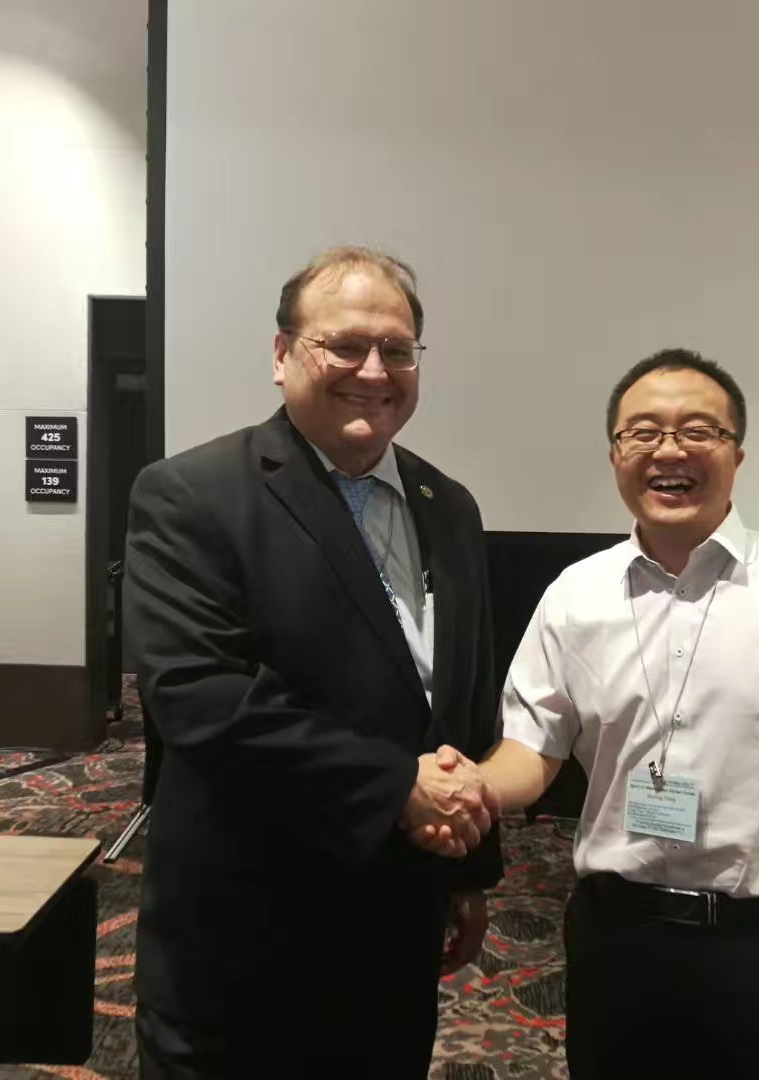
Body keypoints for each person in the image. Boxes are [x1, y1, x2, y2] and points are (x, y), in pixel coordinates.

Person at [441, 348, 759, 1079]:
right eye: (643, 432)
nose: (669, 451)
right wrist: (470, 785)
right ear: (615, 455)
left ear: (737, 455)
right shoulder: (574, 595)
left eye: (698, 430)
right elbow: (532, 751)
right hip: (619, 939)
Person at [124, 247, 502, 1079]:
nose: (374, 371)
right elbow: (201, 700)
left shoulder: (449, 505)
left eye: (396, 350)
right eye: (345, 346)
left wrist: (466, 872)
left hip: (394, 929)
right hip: (244, 942)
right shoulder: (192, 493)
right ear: (282, 354)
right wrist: (396, 787)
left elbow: (462, 703)